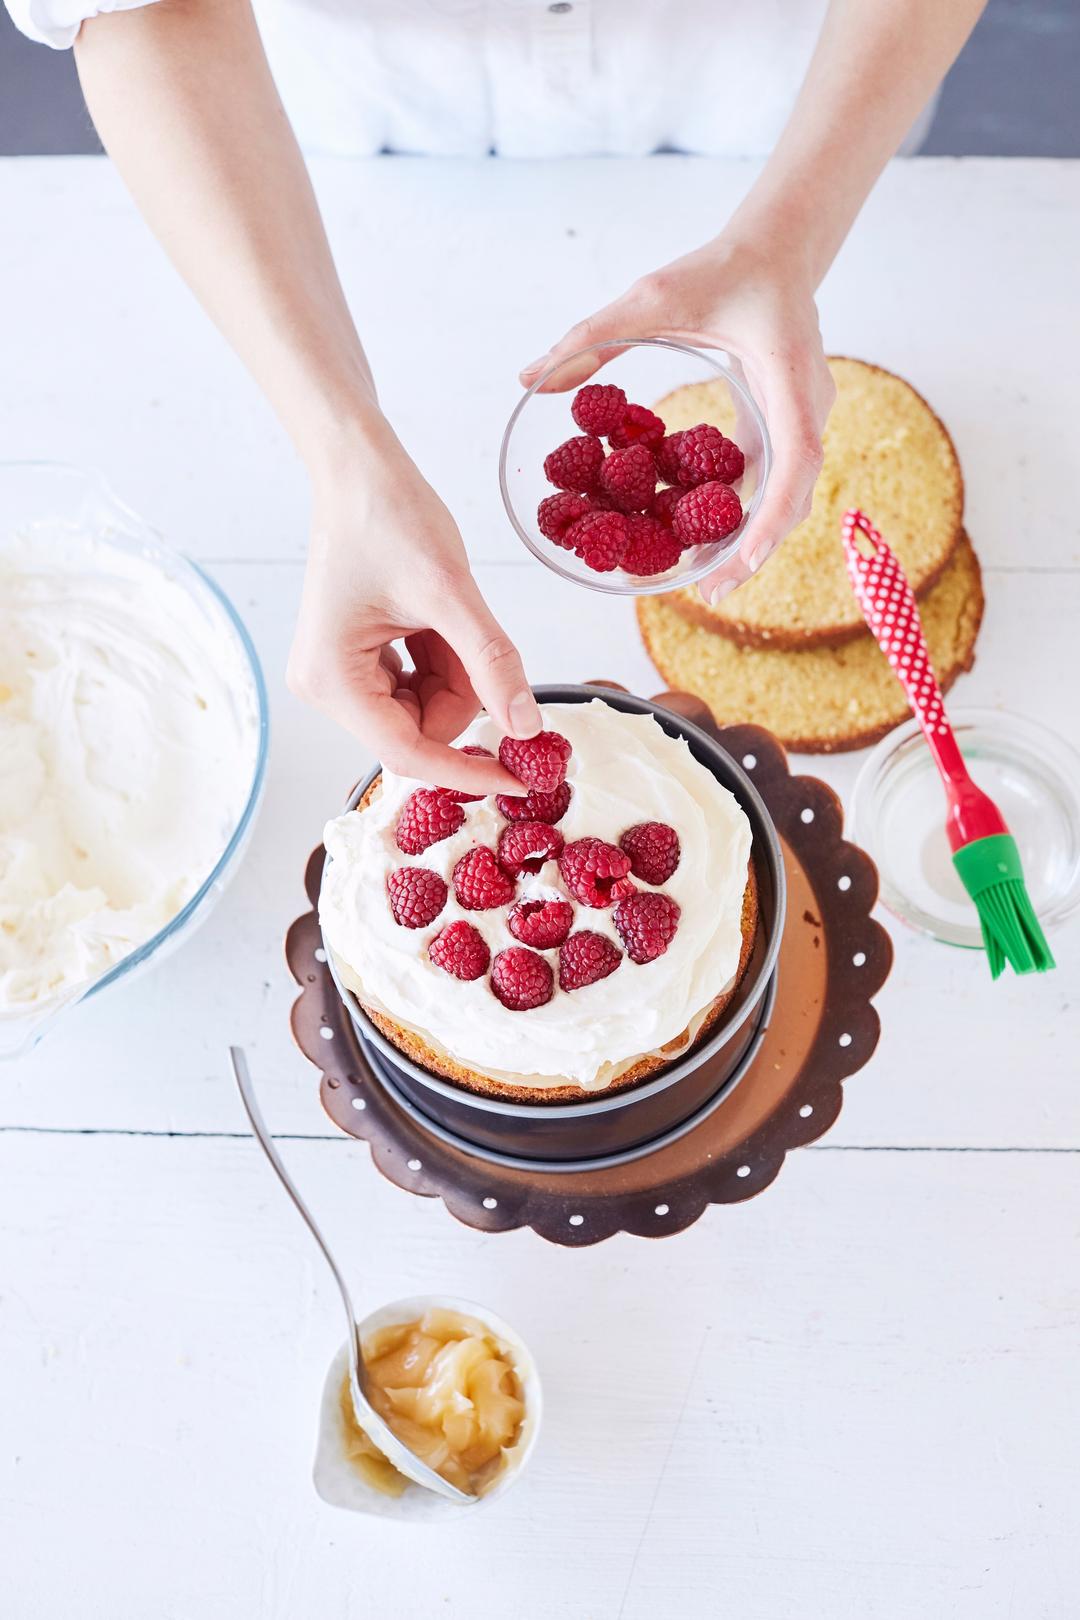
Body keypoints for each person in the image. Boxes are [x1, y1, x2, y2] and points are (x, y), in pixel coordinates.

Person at [8, 0, 986, 793]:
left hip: (792, 92)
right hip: (355, 123)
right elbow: (136, 9)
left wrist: (787, 239)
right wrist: (345, 459)